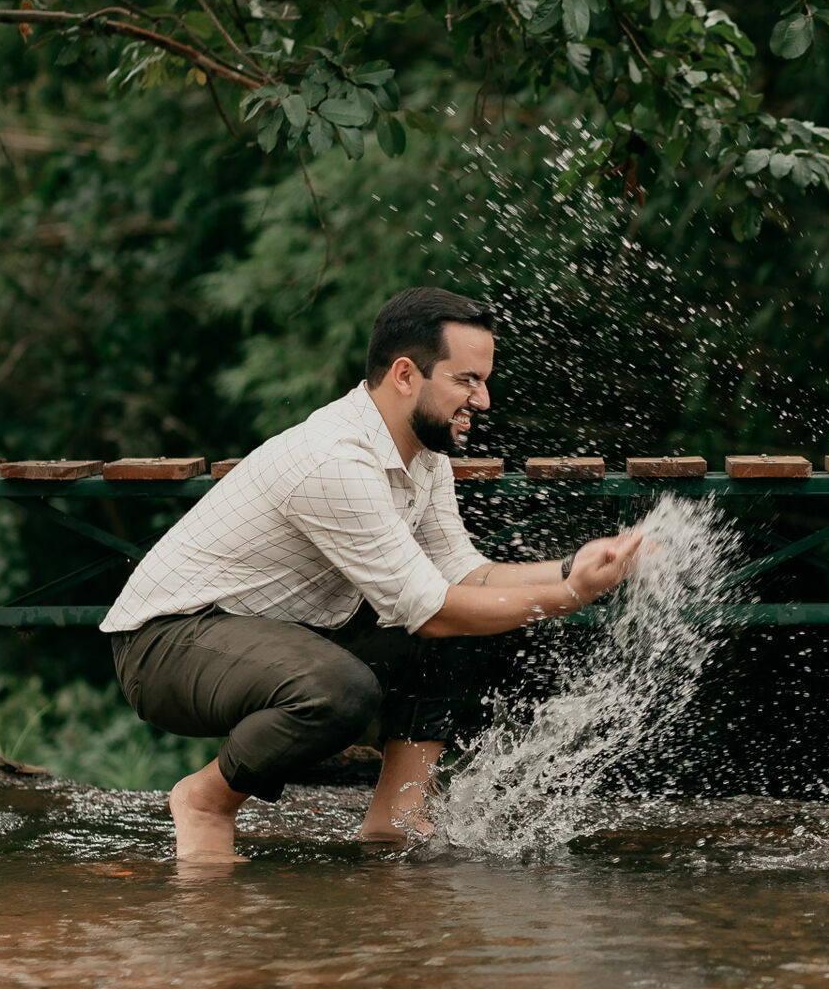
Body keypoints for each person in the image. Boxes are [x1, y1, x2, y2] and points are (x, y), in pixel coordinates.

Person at [102, 287, 642, 862]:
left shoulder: (423, 451)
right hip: (166, 644)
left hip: (273, 632)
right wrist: (566, 596)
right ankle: (207, 800)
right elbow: (431, 611)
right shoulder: (336, 459)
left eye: (483, 380)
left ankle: (397, 818)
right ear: (406, 374)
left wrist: (567, 569)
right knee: (339, 691)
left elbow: (462, 573)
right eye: (466, 380)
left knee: (470, 629)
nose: (482, 400)